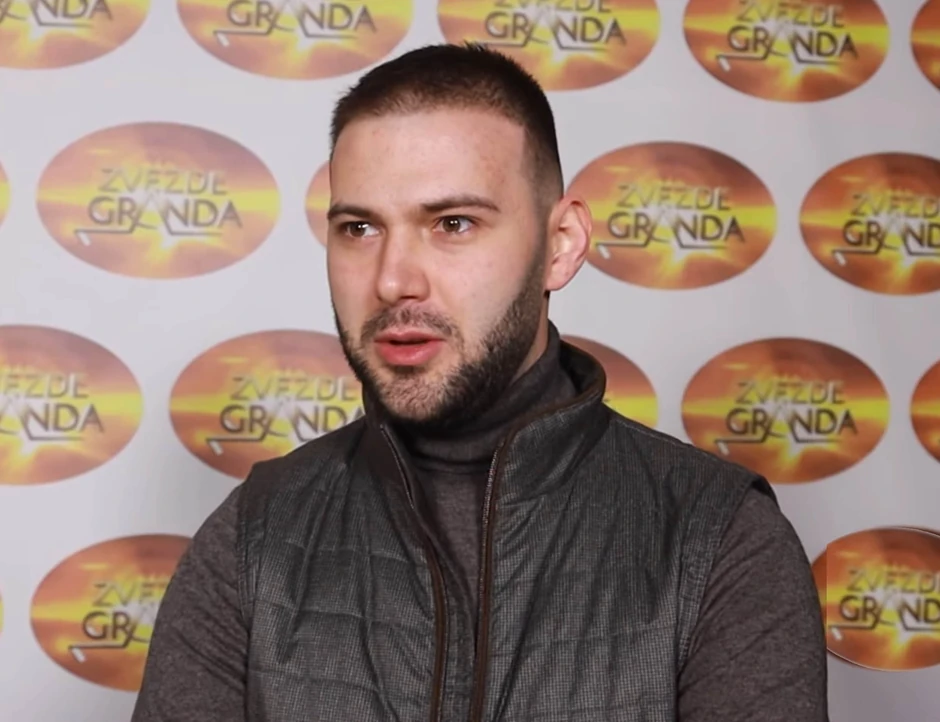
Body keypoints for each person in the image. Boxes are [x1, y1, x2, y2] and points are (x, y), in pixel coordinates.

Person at [132, 43, 828, 722]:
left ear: (561, 246)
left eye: (453, 223)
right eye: (360, 228)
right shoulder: (254, 538)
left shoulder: (718, 539)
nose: (393, 280)